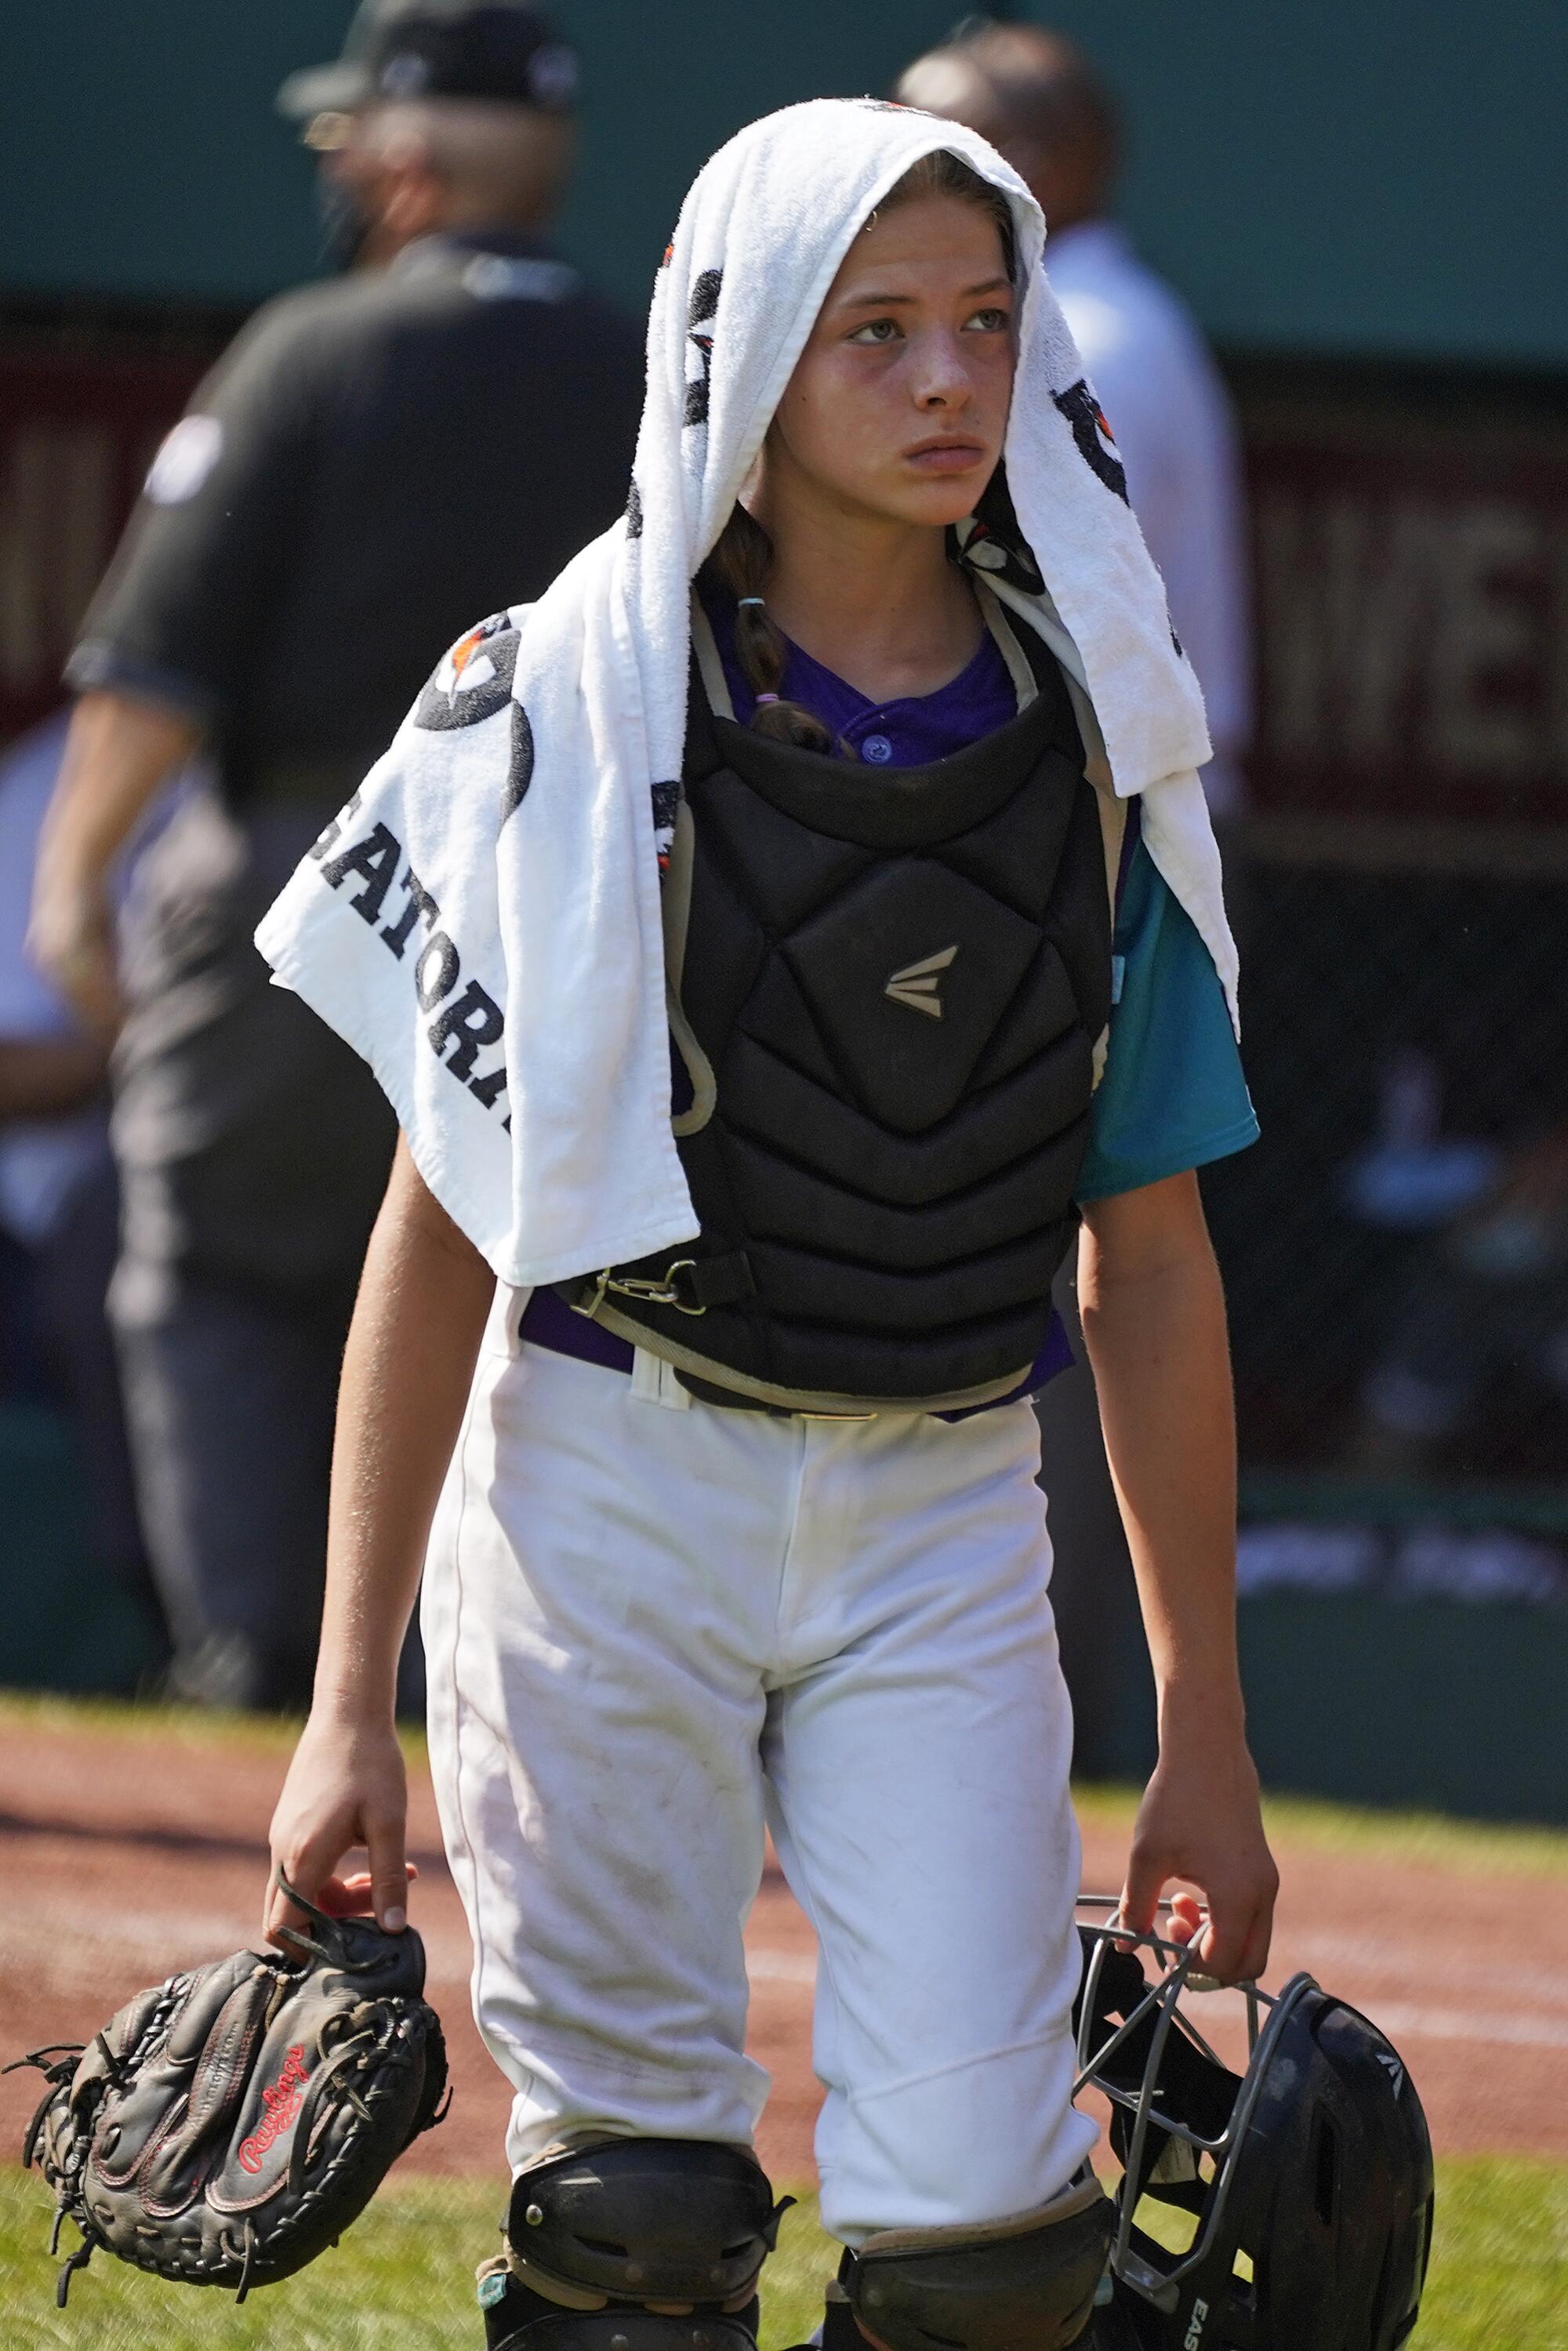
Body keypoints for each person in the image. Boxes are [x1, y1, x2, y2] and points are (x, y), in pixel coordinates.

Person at [256, 101, 1276, 2351]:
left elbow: (1162, 1252)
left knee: (996, 2241)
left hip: (939, 1496)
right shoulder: (566, 690)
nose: (948, 380)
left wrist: (1203, 1713)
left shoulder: (1101, 720)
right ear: (731, 353)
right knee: (632, 2214)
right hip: (613, 1465)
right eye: (876, 330)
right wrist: (347, 1702)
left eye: (988, 324)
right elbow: (438, 1225)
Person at [28, 1, 644, 1709]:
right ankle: (478, 1667)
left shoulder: (315, 344)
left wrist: (71, 885)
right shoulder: (636, 371)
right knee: (522, 1282)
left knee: (220, 1262)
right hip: (567, 877)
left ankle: (251, 1652)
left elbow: (150, 670)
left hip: (319, 858)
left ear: (404, 155)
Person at [895, 23, 1257, 1771]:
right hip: (1078, 825)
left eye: (942, 149)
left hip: (1086, 839)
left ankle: (1044, 1727)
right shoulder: (1101, 317)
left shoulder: (1075, 332)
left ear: (1050, 170)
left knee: (1063, 1284)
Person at [895, 23, 1252, 819]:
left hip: (1122, 825)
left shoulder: (1083, 342)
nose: (887, 178)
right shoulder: (1087, 318)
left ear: (1025, 164)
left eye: (926, 147)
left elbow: (1046, 615)